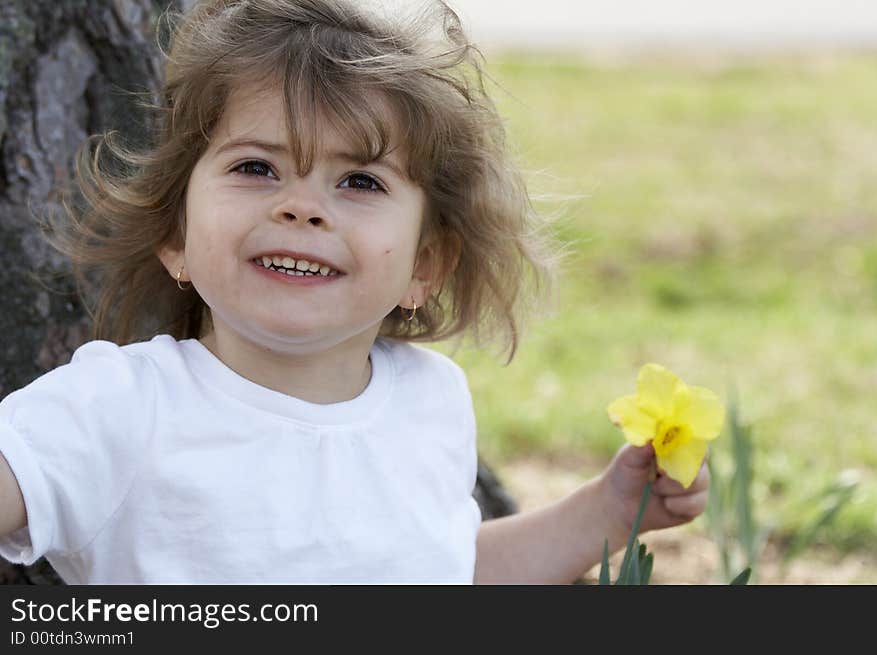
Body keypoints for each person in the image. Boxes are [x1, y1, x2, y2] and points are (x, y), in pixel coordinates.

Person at [0, 0, 709, 584]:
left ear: (424, 265)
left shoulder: (431, 400)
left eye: (360, 181)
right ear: (176, 237)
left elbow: (442, 574)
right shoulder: (123, 407)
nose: (302, 207)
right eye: (256, 167)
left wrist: (606, 513)